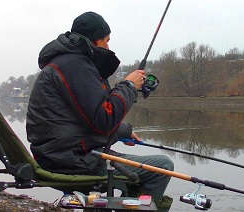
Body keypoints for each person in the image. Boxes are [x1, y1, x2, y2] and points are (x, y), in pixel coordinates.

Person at [26, 11, 173, 210]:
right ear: (95, 40)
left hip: (62, 154)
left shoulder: (66, 63)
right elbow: (103, 119)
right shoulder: (75, 66)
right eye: (106, 40)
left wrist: (124, 131)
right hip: (73, 161)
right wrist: (129, 86)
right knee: (162, 167)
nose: (108, 46)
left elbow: (85, 121)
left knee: (155, 166)